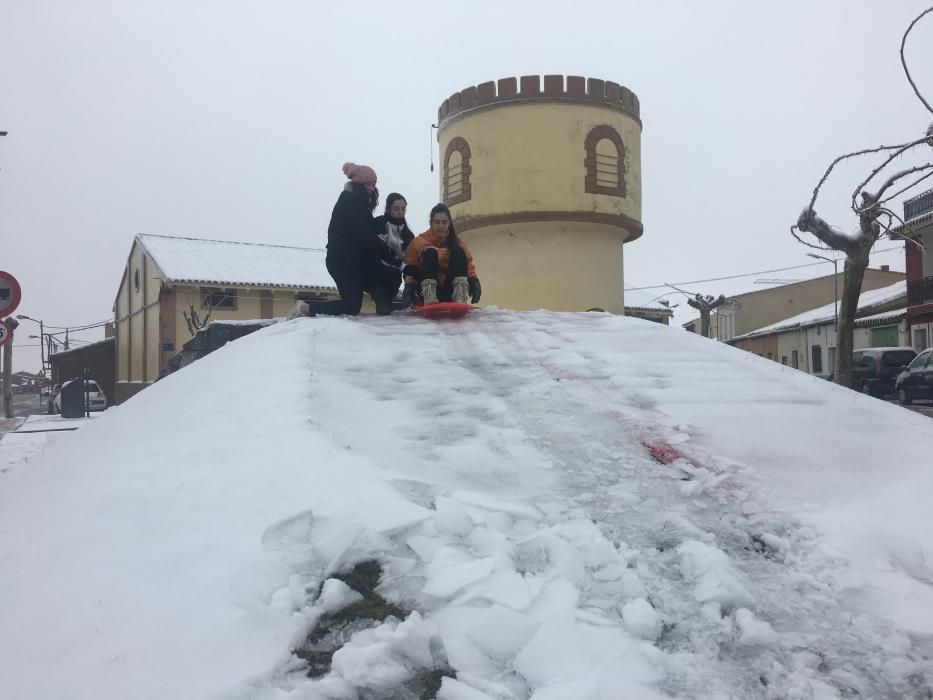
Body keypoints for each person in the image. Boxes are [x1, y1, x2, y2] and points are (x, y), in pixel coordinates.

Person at [294, 162, 396, 318]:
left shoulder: (360, 204)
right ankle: (305, 308)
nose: (371, 188)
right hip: (343, 261)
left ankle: (383, 302)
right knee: (351, 306)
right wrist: (386, 250)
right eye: (367, 184)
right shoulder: (349, 201)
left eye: (373, 184)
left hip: (354, 261)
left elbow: (366, 232)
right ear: (357, 184)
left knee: (390, 276)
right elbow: (363, 235)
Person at [401, 203, 482, 307]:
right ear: (431, 223)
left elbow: (468, 265)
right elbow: (410, 267)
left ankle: (459, 295)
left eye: (444, 222)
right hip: (425, 290)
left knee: (458, 252)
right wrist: (409, 286)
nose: (441, 226)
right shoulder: (419, 242)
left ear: (449, 223)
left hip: (449, 290)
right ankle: (429, 295)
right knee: (430, 252)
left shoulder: (458, 243)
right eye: (437, 222)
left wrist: (473, 281)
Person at [370, 193, 415, 314]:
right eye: (396, 208)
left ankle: (390, 303)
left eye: (403, 209)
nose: (400, 212)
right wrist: (401, 265)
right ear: (388, 209)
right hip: (375, 270)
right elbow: (380, 250)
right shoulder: (379, 223)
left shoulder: (408, 235)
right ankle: (382, 300)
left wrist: (410, 278)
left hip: (394, 276)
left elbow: (410, 259)